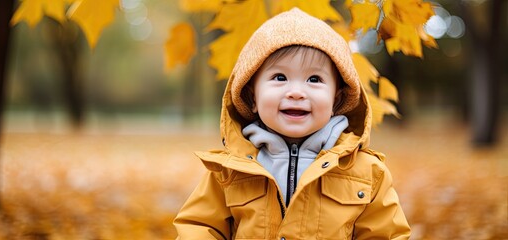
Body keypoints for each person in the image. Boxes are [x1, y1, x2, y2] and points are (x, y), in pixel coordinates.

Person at [174, 8, 411, 239]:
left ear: (336, 99)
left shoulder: (366, 172)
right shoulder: (228, 171)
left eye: (314, 79)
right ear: (252, 97)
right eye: (280, 77)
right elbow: (199, 226)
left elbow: (385, 234)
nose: (296, 92)